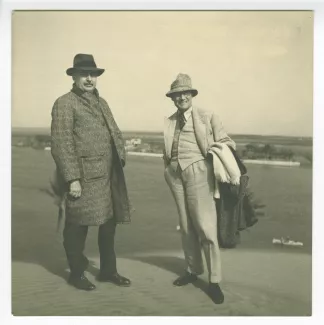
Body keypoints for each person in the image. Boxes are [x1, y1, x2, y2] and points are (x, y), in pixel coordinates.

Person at [51, 53, 132, 291]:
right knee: (77, 226)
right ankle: (76, 273)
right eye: (84, 74)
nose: (89, 79)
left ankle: (108, 271)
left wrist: (121, 157)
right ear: (74, 77)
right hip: (83, 177)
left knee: (108, 225)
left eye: (93, 75)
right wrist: (72, 178)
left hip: (108, 175)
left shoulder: (101, 102)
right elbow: (61, 143)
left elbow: (115, 132)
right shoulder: (64, 103)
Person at [163, 73, 236, 304]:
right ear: (173, 98)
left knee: (205, 226)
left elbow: (227, 142)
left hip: (199, 172)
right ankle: (193, 270)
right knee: (186, 226)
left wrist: (216, 151)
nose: (181, 97)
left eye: (185, 92)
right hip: (175, 175)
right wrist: (168, 167)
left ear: (192, 95)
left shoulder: (207, 116)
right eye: (177, 94)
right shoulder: (170, 120)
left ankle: (214, 281)